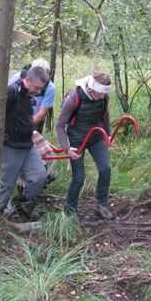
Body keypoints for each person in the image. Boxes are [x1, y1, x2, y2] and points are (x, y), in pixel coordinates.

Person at [0, 66, 50, 213]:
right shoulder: (12, 91)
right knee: (6, 185)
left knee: (39, 176)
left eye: (41, 88)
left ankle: (21, 203)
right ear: (27, 80)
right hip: (11, 146)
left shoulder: (29, 94)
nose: (38, 91)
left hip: (27, 144)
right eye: (36, 87)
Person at [56, 72, 113, 220]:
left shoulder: (104, 97)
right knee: (79, 177)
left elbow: (105, 115)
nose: (102, 97)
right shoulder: (73, 98)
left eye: (104, 94)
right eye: (99, 93)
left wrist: (107, 134)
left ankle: (101, 205)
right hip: (76, 140)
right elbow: (60, 125)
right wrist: (67, 148)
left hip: (96, 137)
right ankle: (69, 211)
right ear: (92, 89)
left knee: (105, 168)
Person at [11, 58, 56, 133]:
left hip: (33, 120)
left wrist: (25, 125)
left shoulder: (50, 88)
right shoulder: (17, 78)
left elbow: (41, 114)